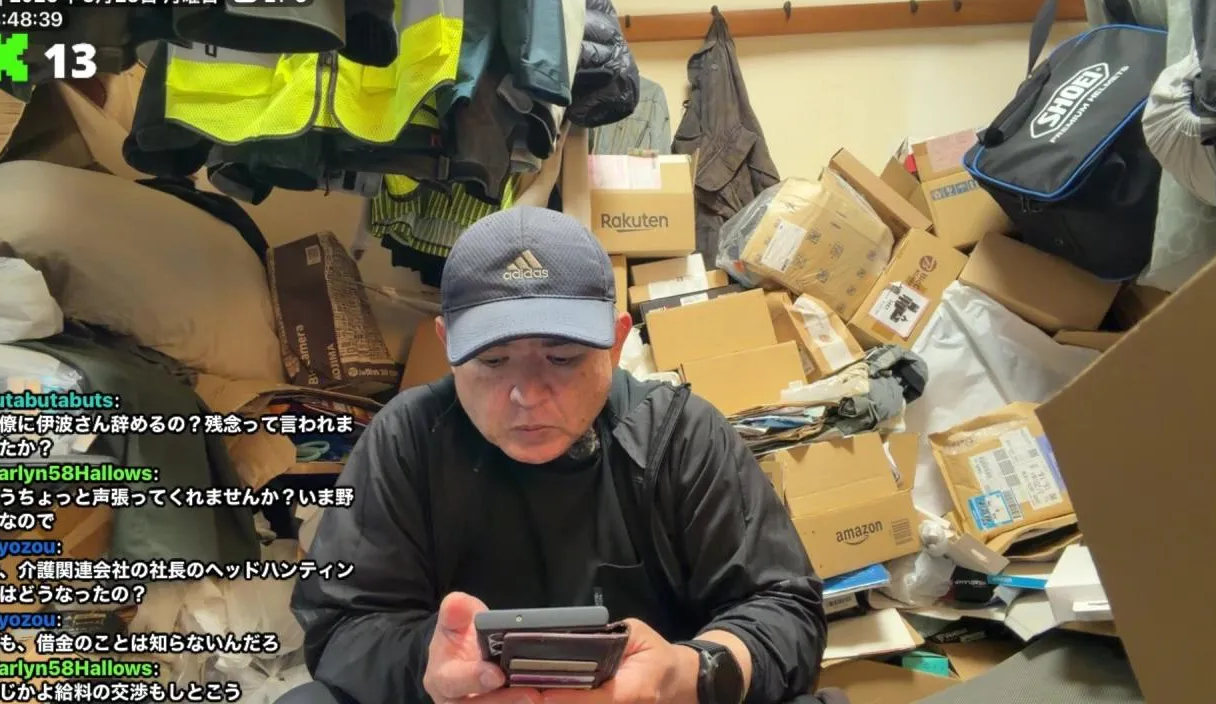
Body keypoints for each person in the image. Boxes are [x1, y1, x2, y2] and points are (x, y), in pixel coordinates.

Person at [284, 207, 829, 704]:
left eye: (563, 357)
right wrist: (431, 664)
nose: (527, 394)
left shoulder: (679, 434)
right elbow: (342, 625)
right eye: (493, 360)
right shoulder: (407, 438)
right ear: (448, 345)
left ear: (616, 343)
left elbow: (784, 607)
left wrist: (686, 673)